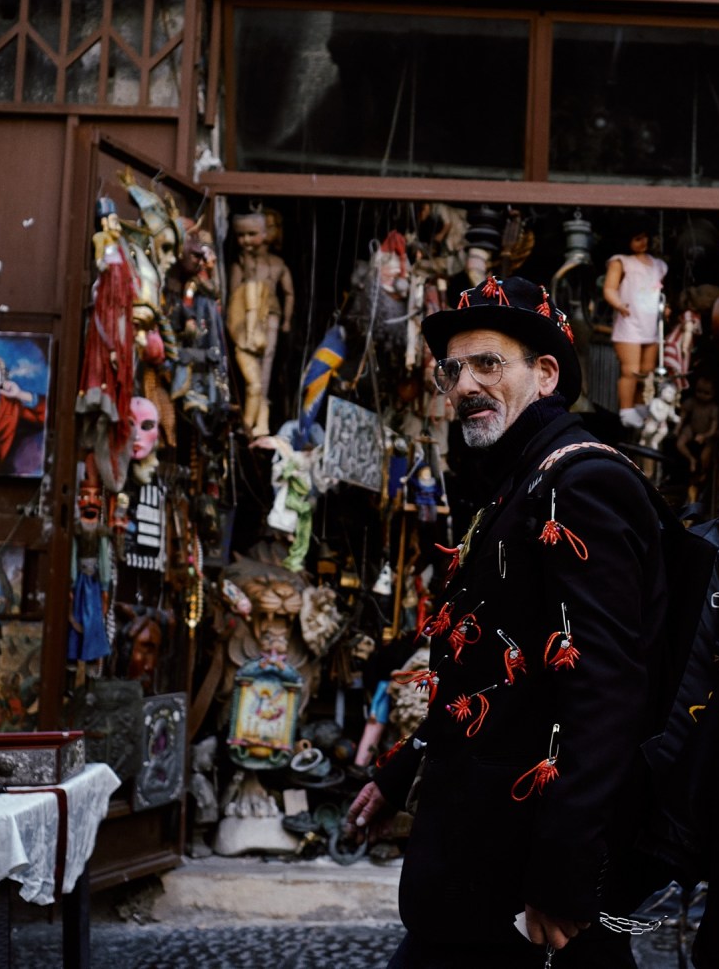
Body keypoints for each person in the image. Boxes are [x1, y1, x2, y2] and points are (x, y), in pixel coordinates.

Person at [346, 275, 668, 968]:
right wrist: (403, 768)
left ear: (545, 375)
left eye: (488, 364)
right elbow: (492, 669)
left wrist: (563, 874)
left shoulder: (581, 483)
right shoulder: (517, 480)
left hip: (529, 883)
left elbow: (605, 694)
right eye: (453, 370)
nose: (464, 385)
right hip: (481, 868)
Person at [226, 211, 295, 437]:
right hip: (245, 321)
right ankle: (251, 415)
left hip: (271, 316)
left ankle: (259, 417)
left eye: (252, 234)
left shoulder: (277, 264)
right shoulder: (240, 263)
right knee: (250, 368)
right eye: (241, 235)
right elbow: (233, 294)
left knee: (267, 362)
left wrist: (286, 320)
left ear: (265, 234)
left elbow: (289, 293)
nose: (246, 240)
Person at [602, 223, 667, 427]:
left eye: (645, 237)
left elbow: (657, 293)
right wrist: (618, 304)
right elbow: (610, 288)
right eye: (637, 238)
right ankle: (627, 409)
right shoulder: (621, 262)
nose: (643, 242)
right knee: (631, 370)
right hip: (630, 321)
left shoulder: (657, 265)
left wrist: (665, 308)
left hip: (651, 323)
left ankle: (640, 405)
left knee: (647, 370)